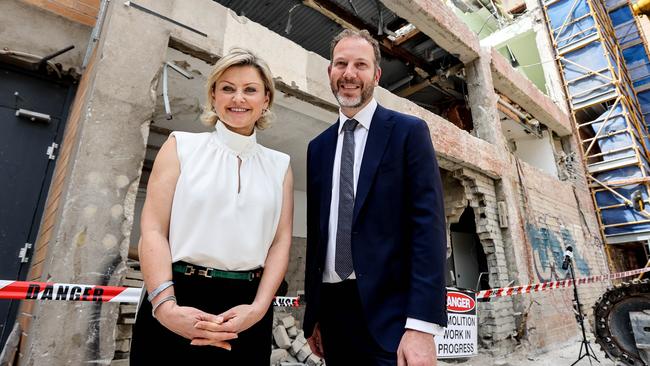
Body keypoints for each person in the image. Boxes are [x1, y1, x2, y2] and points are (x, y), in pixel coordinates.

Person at [130, 48, 293, 365]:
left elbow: (281, 242)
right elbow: (152, 230)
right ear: (214, 96)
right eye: (228, 88)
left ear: (266, 100)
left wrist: (259, 308)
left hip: (246, 309)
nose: (238, 98)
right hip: (178, 295)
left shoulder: (280, 166)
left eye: (250, 90)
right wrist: (165, 306)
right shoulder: (180, 146)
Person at [304, 29, 447, 366]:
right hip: (334, 314)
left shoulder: (408, 132)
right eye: (340, 64)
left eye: (360, 65)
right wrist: (315, 314)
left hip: (393, 318)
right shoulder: (318, 148)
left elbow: (428, 230)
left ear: (376, 75)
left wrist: (422, 326)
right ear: (330, 72)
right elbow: (317, 236)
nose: (349, 74)